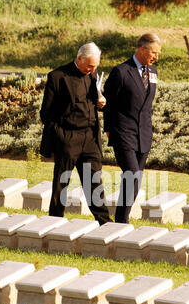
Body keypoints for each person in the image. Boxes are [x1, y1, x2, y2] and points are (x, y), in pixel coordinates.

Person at [40, 42, 112, 225]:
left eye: (95, 66)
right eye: (89, 65)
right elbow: (45, 114)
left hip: (89, 138)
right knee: (62, 182)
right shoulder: (57, 77)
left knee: (94, 181)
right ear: (79, 59)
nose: (92, 69)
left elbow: (95, 101)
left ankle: (104, 222)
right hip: (67, 137)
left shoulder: (93, 75)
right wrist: (61, 136)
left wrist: (101, 102)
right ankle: (54, 221)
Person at [103, 33, 161, 224]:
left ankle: (120, 219)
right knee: (132, 175)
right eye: (153, 52)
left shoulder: (152, 72)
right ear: (142, 49)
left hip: (143, 134)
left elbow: (147, 104)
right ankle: (122, 220)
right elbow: (109, 102)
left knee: (134, 180)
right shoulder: (121, 71)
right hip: (123, 132)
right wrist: (108, 128)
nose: (156, 57)